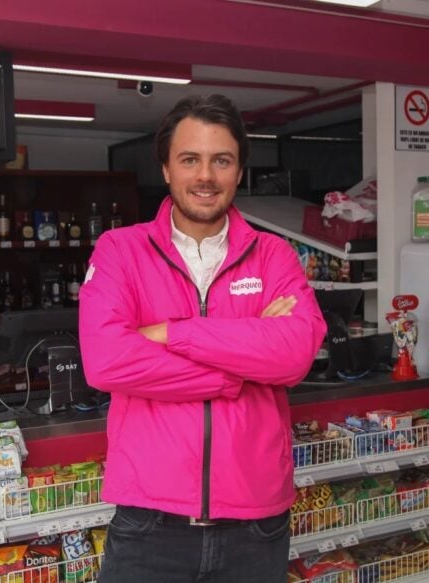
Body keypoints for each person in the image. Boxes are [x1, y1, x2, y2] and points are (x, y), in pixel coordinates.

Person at [79, 94, 326, 583]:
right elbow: (106, 361)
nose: (206, 176)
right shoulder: (120, 251)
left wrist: (173, 332)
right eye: (190, 159)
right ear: (167, 169)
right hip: (149, 522)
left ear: (239, 171)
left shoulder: (274, 255)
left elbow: (295, 354)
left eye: (222, 161)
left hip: (256, 526)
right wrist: (236, 371)